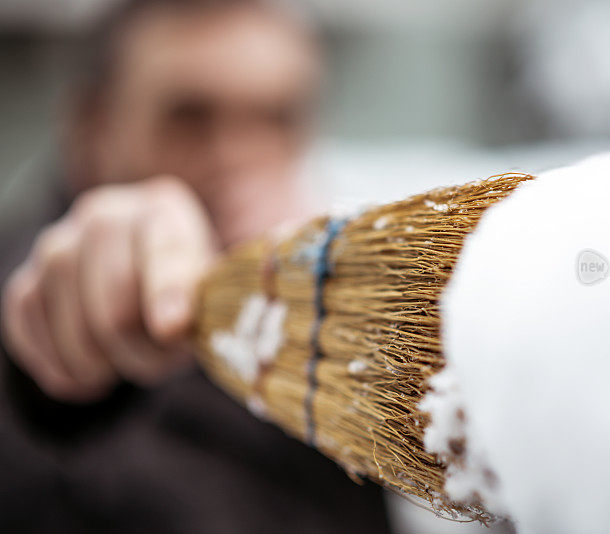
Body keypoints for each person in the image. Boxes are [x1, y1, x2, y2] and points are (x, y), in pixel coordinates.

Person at [0, 0, 390, 532]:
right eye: (190, 117)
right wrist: (61, 360)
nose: (237, 155)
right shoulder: (36, 279)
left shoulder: (318, 300)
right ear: (91, 127)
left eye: (276, 118)